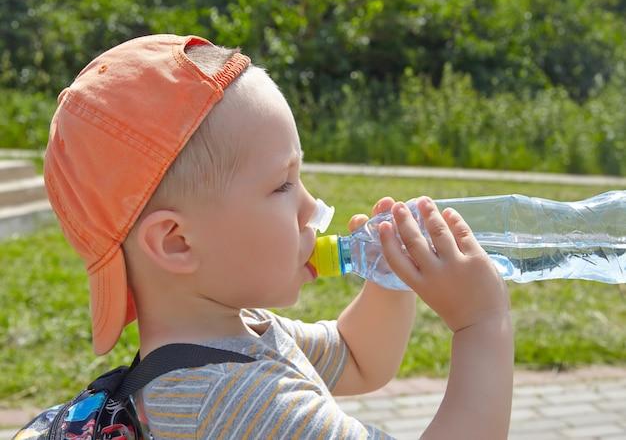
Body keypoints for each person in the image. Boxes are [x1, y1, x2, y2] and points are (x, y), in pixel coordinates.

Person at [44, 34, 513, 439]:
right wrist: (481, 323)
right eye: (283, 185)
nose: (313, 208)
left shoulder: (233, 337)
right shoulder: (230, 398)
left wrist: (388, 280)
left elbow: (356, 358)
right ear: (176, 243)